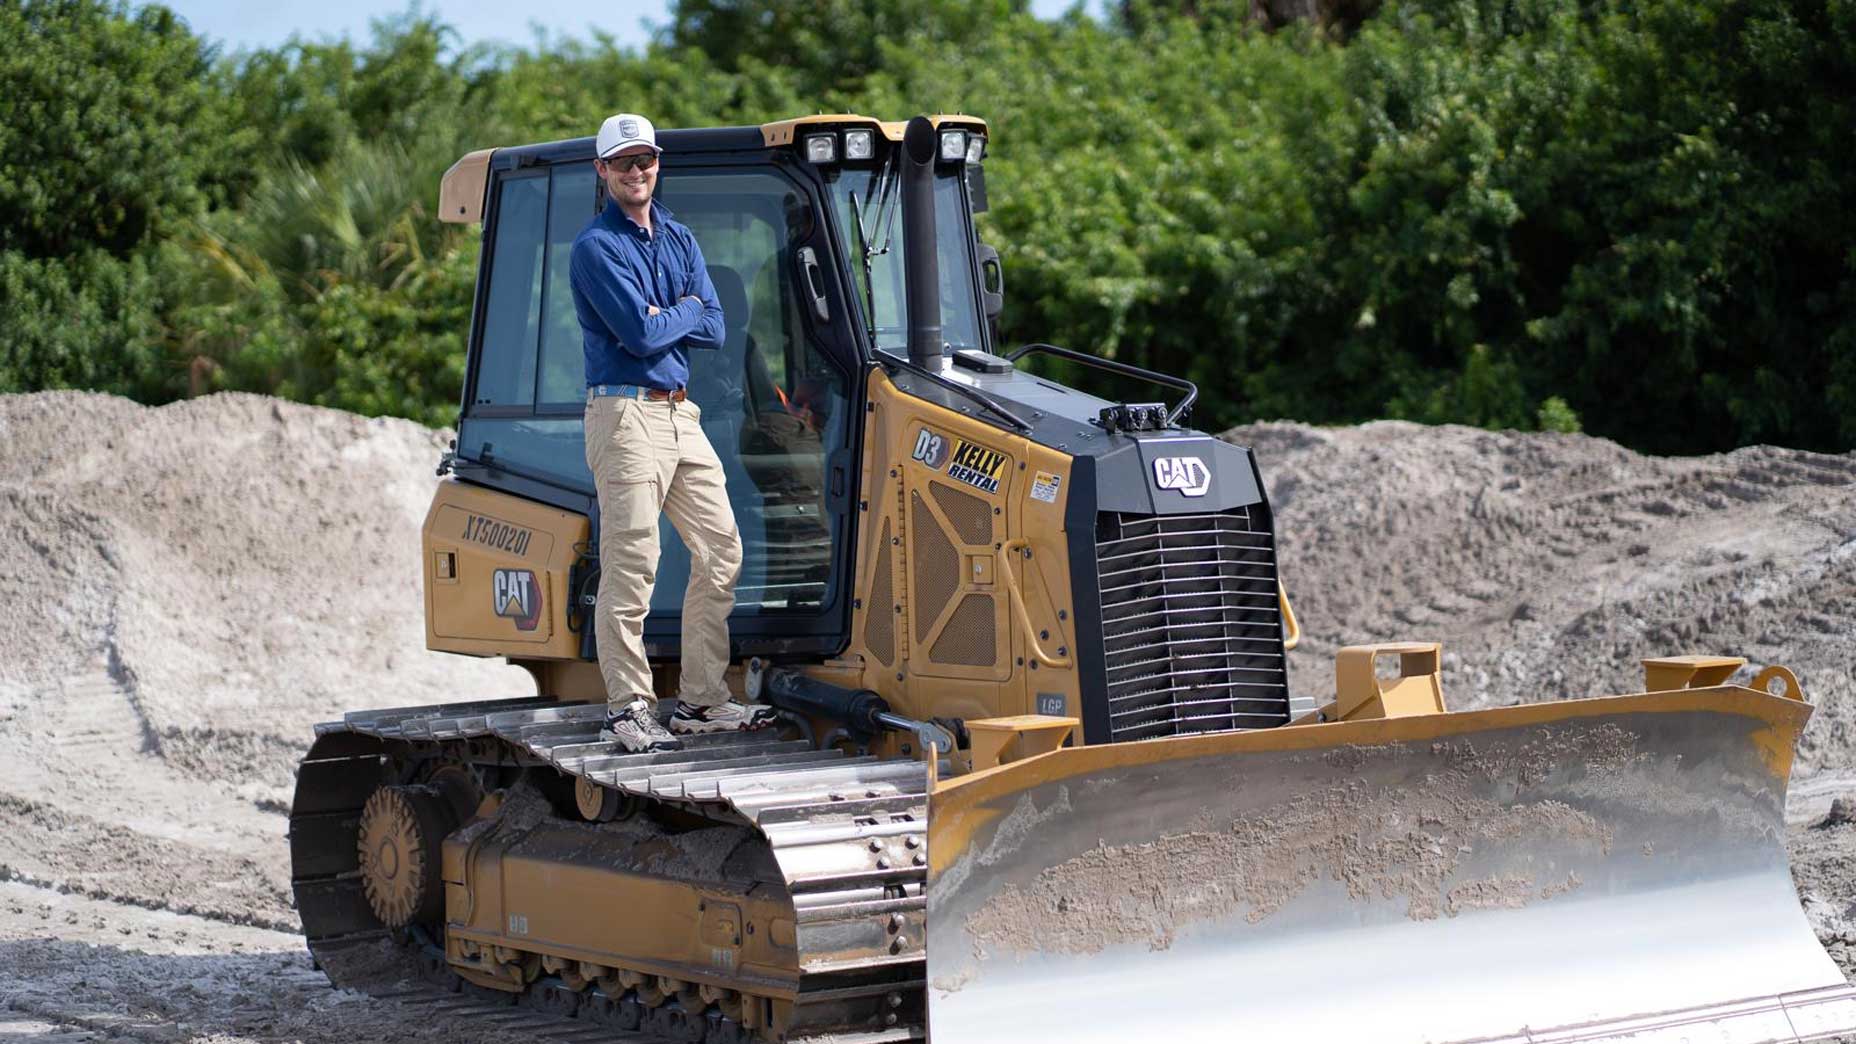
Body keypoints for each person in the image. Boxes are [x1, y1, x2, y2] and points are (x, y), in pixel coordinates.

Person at [570, 112, 778, 753]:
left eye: (646, 159)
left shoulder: (679, 237)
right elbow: (640, 334)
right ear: (603, 170)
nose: (637, 170)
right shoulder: (596, 248)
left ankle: (701, 700)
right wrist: (683, 309)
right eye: (623, 162)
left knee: (722, 550)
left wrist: (675, 312)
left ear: (657, 164)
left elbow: (715, 326)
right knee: (634, 562)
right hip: (624, 414)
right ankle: (628, 709)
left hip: (680, 413)